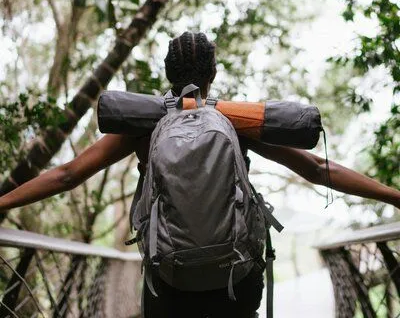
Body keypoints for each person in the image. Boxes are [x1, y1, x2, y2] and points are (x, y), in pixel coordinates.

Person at [0, 32, 399, 318]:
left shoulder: (145, 126)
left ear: (168, 73)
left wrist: (2, 202)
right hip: (235, 275)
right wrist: (394, 196)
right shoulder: (237, 122)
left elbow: (67, 175)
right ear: (212, 72)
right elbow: (317, 169)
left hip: (169, 276)